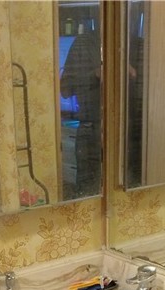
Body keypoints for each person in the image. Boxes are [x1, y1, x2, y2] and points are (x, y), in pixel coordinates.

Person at [59, 25, 102, 200]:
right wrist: (95, 74)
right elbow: (65, 89)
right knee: (86, 197)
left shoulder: (134, 43)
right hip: (90, 129)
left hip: (126, 136)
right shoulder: (83, 44)